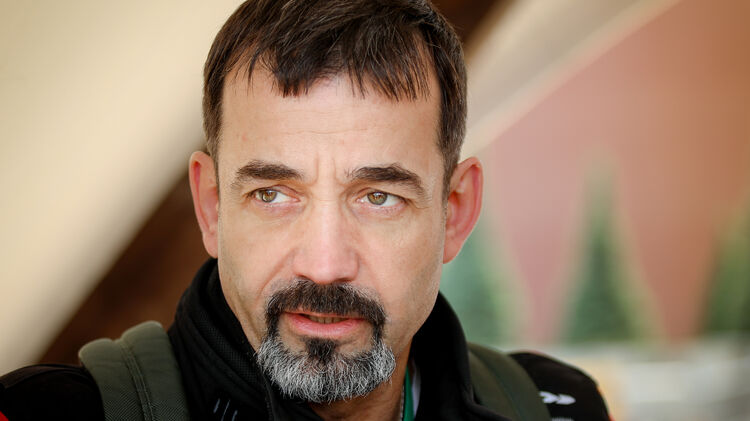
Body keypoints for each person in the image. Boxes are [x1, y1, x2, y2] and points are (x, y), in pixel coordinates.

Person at [0, 1, 611, 420]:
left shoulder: (557, 408)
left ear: (454, 213)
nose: (323, 265)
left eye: (378, 197)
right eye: (272, 194)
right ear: (211, 207)